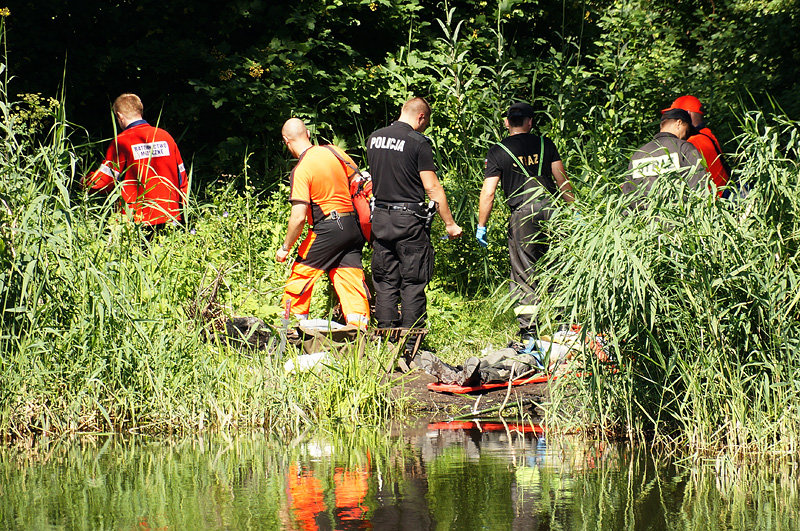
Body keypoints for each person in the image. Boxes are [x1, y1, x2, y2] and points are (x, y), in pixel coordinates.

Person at [476, 102, 574, 341]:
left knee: (523, 272)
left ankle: (530, 331)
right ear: (530, 122)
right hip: (552, 210)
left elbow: (488, 192)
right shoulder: (545, 144)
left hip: (522, 214)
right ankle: (564, 326)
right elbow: (562, 180)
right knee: (558, 265)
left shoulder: (497, 151)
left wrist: (481, 225)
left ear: (507, 122)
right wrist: (574, 210)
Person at [366, 97, 462, 336]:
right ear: (421, 117)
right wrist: (449, 224)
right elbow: (432, 187)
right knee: (413, 281)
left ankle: (385, 338)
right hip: (409, 221)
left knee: (385, 281)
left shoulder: (374, 138)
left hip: (379, 218)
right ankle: (411, 342)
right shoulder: (417, 142)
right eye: (426, 121)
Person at [276, 118, 370, 328]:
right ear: (308, 134)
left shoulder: (302, 169)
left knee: (301, 274)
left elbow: (299, 217)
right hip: (353, 228)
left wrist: (285, 247)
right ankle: (358, 334)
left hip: (328, 227)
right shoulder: (334, 152)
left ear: (286, 140)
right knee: (350, 277)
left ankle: (289, 330)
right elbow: (359, 182)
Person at [83, 93, 188, 237]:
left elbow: (103, 181)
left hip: (138, 220)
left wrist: (84, 182)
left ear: (119, 116)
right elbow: (182, 177)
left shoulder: (122, 141)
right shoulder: (165, 136)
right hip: (170, 215)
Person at [625, 108, 706, 199]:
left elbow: (628, 196)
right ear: (679, 123)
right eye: (687, 131)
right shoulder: (684, 148)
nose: (686, 137)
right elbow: (699, 189)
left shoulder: (638, 155)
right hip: (677, 212)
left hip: (643, 212)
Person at [661, 95, 732, 196]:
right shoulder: (707, 134)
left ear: (688, 115)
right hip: (723, 194)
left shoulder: (692, 142)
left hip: (712, 201)